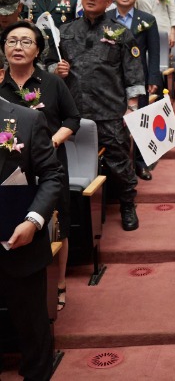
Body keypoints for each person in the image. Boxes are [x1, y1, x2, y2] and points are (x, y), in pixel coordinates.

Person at [1, 22, 80, 313]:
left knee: (56, 222)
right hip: (10, 170)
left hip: (49, 164)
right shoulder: (0, 84)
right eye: (11, 41)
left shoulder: (51, 82)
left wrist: (54, 140)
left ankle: (58, 283)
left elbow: (73, 118)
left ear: (37, 50)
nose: (18, 47)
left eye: (25, 42)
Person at [55, 0, 145, 231]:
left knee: (118, 161)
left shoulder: (120, 32)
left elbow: (134, 74)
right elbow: (48, 64)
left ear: (108, 0)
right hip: (72, 111)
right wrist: (54, 69)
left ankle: (127, 203)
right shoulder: (66, 31)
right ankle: (72, 209)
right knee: (67, 161)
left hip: (109, 111)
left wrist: (132, 109)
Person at [0, 87, 63, 381]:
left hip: (19, 243)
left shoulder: (26, 120)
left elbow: (52, 175)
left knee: (33, 334)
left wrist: (34, 220)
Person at [108, 0, 162, 180]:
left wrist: (154, 79)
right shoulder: (106, 19)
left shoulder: (147, 20)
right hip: (111, 78)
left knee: (141, 120)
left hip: (139, 78)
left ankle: (142, 163)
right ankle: (118, 164)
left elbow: (155, 53)